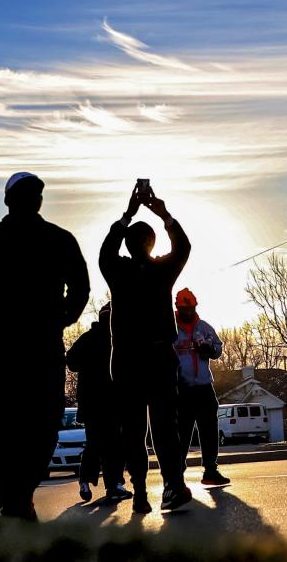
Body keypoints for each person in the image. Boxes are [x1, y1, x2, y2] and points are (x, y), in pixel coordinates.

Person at [0, 171, 90, 520]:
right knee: (5, 428)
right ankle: (13, 502)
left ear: (40, 201)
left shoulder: (60, 240)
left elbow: (80, 289)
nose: (32, 200)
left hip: (44, 346)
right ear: (9, 200)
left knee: (44, 423)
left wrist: (61, 318)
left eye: (36, 195)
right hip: (3, 351)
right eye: (25, 195)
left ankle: (20, 494)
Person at [99, 182, 192, 513]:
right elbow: (183, 247)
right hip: (156, 356)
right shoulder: (161, 269)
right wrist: (163, 213)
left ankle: (141, 490)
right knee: (165, 426)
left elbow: (105, 252)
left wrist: (128, 214)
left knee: (134, 429)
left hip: (126, 359)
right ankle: (172, 484)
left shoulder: (118, 270)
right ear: (152, 243)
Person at [65, 303, 132, 503]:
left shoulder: (89, 338)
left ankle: (87, 479)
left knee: (96, 443)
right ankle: (114, 484)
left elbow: (71, 361)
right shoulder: (117, 339)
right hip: (109, 402)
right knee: (114, 444)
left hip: (94, 402)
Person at [173, 288, 230, 486]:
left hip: (204, 386)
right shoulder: (171, 330)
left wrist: (210, 349)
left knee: (209, 429)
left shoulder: (204, 328)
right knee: (182, 432)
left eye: (191, 308)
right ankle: (177, 473)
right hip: (182, 390)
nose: (188, 312)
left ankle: (210, 470)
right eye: (184, 308)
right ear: (177, 307)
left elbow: (218, 348)